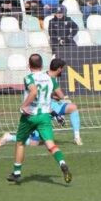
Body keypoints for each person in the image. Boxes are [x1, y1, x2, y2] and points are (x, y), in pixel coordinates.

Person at [7, 54, 72, 184]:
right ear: (42, 65)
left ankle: (17, 173)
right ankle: (62, 163)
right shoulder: (50, 79)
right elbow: (58, 96)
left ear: (29, 66)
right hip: (44, 116)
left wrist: (24, 106)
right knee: (50, 144)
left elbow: (34, 92)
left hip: (30, 116)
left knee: (20, 142)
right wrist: (49, 97)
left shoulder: (28, 78)